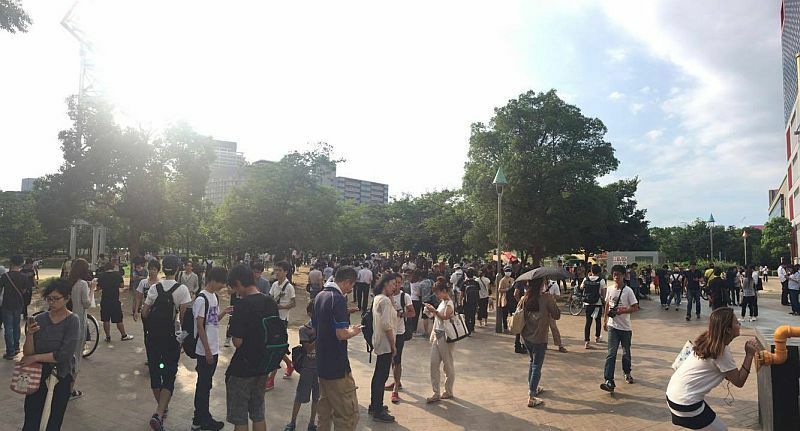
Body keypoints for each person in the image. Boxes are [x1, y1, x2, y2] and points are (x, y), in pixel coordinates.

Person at [666, 307, 759, 430]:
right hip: (686, 404)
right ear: (728, 330)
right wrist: (749, 355)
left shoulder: (708, 339)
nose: (739, 324)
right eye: (736, 322)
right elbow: (739, 381)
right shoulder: (722, 352)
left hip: (673, 396)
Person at [20, 279, 79, 431]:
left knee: (53, 419)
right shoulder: (40, 319)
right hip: (37, 375)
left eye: (56, 298)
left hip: (61, 376)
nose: (52, 302)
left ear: (66, 298)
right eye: (49, 299)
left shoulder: (72, 321)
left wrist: (35, 358)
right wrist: (30, 335)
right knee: (31, 417)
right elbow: (28, 352)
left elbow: (64, 355)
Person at [225, 264, 279, 431]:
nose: (236, 291)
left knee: (240, 418)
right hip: (263, 365)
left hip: (243, 368)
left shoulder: (242, 306)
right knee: (258, 413)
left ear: (239, 283)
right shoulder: (269, 301)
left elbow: (237, 342)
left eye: (235, 287)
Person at [142, 255, 193, 431]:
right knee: (170, 374)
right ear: (178, 269)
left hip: (153, 338)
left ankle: (161, 409)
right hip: (171, 339)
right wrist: (184, 339)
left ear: (163, 268)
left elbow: (145, 312)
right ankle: (159, 412)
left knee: (156, 373)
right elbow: (185, 317)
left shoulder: (154, 288)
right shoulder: (183, 290)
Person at [314, 266, 363, 431]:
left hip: (322, 364)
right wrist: (354, 331)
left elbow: (318, 326)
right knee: (346, 414)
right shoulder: (338, 299)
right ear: (347, 281)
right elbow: (341, 334)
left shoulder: (320, 296)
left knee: (324, 413)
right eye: (352, 285)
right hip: (337, 366)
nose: (351, 289)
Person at [192, 267, 229, 431]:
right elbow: (199, 327)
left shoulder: (214, 297)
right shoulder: (201, 299)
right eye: (221, 282)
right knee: (203, 386)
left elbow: (212, 322)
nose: (223, 285)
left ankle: (203, 417)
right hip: (204, 350)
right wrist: (207, 350)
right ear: (213, 280)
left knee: (206, 385)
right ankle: (200, 420)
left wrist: (224, 313)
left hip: (213, 348)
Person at [520, 278, 560, 408]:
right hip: (539, 337)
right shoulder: (546, 298)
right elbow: (557, 315)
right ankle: (531, 396)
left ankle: (533, 387)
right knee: (537, 364)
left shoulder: (525, 298)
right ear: (541, 284)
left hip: (526, 336)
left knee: (532, 362)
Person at [600, 265, 640, 393]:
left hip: (625, 328)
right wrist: (605, 320)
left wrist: (622, 311)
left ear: (624, 275)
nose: (616, 277)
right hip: (613, 327)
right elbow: (607, 304)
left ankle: (627, 372)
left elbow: (635, 307)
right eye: (614, 274)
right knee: (611, 354)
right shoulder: (610, 289)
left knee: (626, 352)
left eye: (618, 274)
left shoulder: (628, 291)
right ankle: (608, 380)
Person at [284, 301, 319, 431]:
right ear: (310, 313)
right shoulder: (304, 329)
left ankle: (312, 423)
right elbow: (309, 348)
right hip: (307, 367)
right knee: (300, 395)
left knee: (317, 397)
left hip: (320, 368)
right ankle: (292, 422)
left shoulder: (324, 327)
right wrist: (320, 336)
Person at [368, 273, 397, 423]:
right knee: (381, 376)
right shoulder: (384, 301)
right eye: (392, 284)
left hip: (379, 341)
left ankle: (375, 405)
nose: (394, 287)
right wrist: (393, 344)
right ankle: (377, 409)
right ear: (385, 284)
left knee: (378, 375)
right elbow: (387, 324)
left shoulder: (379, 298)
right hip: (385, 343)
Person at [267, 260, 296, 390]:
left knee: (276, 347)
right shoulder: (274, 285)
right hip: (272, 319)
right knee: (275, 347)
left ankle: (271, 379)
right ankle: (289, 364)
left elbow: (293, 303)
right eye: (276, 270)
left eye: (279, 270)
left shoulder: (289, 287)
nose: (277, 272)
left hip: (282, 320)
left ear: (286, 272)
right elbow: (269, 298)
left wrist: (281, 307)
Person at [424, 280, 455, 404]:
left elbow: (445, 316)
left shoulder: (449, 304)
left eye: (438, 293)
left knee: (448, 365)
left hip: (446, 338)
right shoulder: (442, 302)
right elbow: (438, 317)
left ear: (444, 291)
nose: (437, 295)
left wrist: (434, 311)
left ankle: (448, 390)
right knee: (433, 363)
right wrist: (430, 311)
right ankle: (436, 392)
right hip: (437, 336)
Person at [385, 272, 413, 404]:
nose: (396, 285)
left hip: (399, 332)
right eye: (394, 282)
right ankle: (397, 381)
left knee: (397, 360)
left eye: (398, 283)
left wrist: (401, 314)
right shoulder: (385, 296)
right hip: (388, 332)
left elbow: (412, 313)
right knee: (391, 358)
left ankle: (396, 388)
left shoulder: (404, 296)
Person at [67, 258, 93, 399]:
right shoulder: (82, 284)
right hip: (78, 323)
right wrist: (92, 290)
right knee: (76, 356)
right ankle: (70, 389)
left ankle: (61, 386)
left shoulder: (67, 282)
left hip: (65, 322)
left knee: (66, 355)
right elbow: (87, 304)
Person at [1, 255, 33, 360]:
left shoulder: (5, 276)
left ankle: (10, 351)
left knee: (8, 328)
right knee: (16, 326)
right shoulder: (24, 276)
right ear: (21, 263)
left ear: (11, 262)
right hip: (19, 304)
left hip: (7, 304)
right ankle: (16, 347)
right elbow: (25, 291)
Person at [97, 261, 134, 342]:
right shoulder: (117, 275)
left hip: (105, 299)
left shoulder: (101, 276)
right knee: (118, 319)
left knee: (105, 319)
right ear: (113, 267)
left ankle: (108, 336)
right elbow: (122, 285)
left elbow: (98, 288)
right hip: (115, 299)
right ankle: (123, 335)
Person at [135, 259, 162, 365]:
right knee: (147, 335)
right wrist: (136, 310)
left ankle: (158, 356)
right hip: (146, 313)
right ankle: (149, 356)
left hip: (158, 314)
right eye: (150, 269)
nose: (152, 271)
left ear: (158, 271)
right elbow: (138, 297)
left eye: (154, 269)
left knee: (157, 335)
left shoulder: (161, 284)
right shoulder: (143, 283)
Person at [581, 264, 606, 349]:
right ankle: (597, 337)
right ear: (599, 272)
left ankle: (587, 341)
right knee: (597, 321)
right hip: (597, 304)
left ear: (591, 271)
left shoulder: (586, 279)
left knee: (588, 322)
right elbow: (603, 294)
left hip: (588, 304)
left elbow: (581, 287)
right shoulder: (601, 281)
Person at [544, 279, 567, 352]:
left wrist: (551, 295)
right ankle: (544, 344)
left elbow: (558, 296)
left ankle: (559, 345)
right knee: (544, 328)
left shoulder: (554, 284)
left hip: (551, 308)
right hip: (542, 309)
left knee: (553, 327)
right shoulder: (539, 285)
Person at [461, 268, 480, 334]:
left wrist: (461, 302)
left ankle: (468, 330)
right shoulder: (476, 283)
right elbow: (478, 293)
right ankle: (472, 328)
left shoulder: (464, 283)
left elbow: (462, 294)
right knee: (473, 316)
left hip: (466, 302)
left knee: (467, 316)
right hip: (474, 302)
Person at [497, 266, 515, 334]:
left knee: (512, 314)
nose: (508, 272)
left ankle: (512, 328)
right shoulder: (502, 280)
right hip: (505, 299)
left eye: (509, 271)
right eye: (507, 271)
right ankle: (505, 328)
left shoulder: (512, 279)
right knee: (504, 315)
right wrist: (506, 289)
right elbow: (499, 290)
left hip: (512, 299)